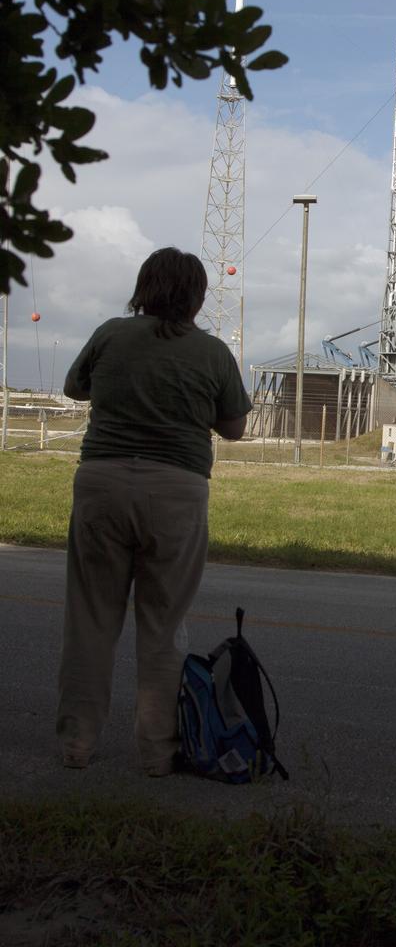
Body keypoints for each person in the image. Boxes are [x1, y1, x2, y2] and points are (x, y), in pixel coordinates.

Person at [57, 247, 253, 775]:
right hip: (177, 490)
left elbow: (75, 388)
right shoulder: (212, 352)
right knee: (163, 626)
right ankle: (158, 752)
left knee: (92, 621)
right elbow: (235, 428)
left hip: (101, 483)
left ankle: (77, 743)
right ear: (196, 297)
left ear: (143, 288)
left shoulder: (110, 334)